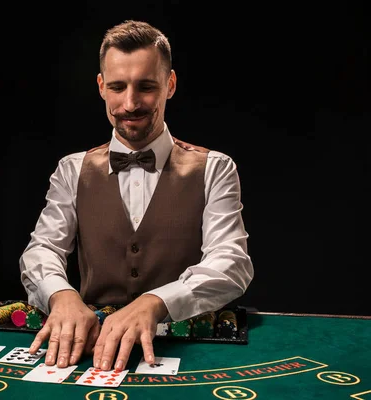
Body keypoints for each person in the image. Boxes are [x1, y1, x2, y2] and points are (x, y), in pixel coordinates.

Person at [19, 20, 254, 373]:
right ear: (101, 87)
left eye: (145, 86)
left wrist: (157, 301)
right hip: (91, 343)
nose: (130, 103)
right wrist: (60, 295)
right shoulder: (71, 169)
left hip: (185, 343)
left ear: (170, 84)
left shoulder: (215, 168)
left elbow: (232, 262)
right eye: (117, 87)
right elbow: (42, 249)